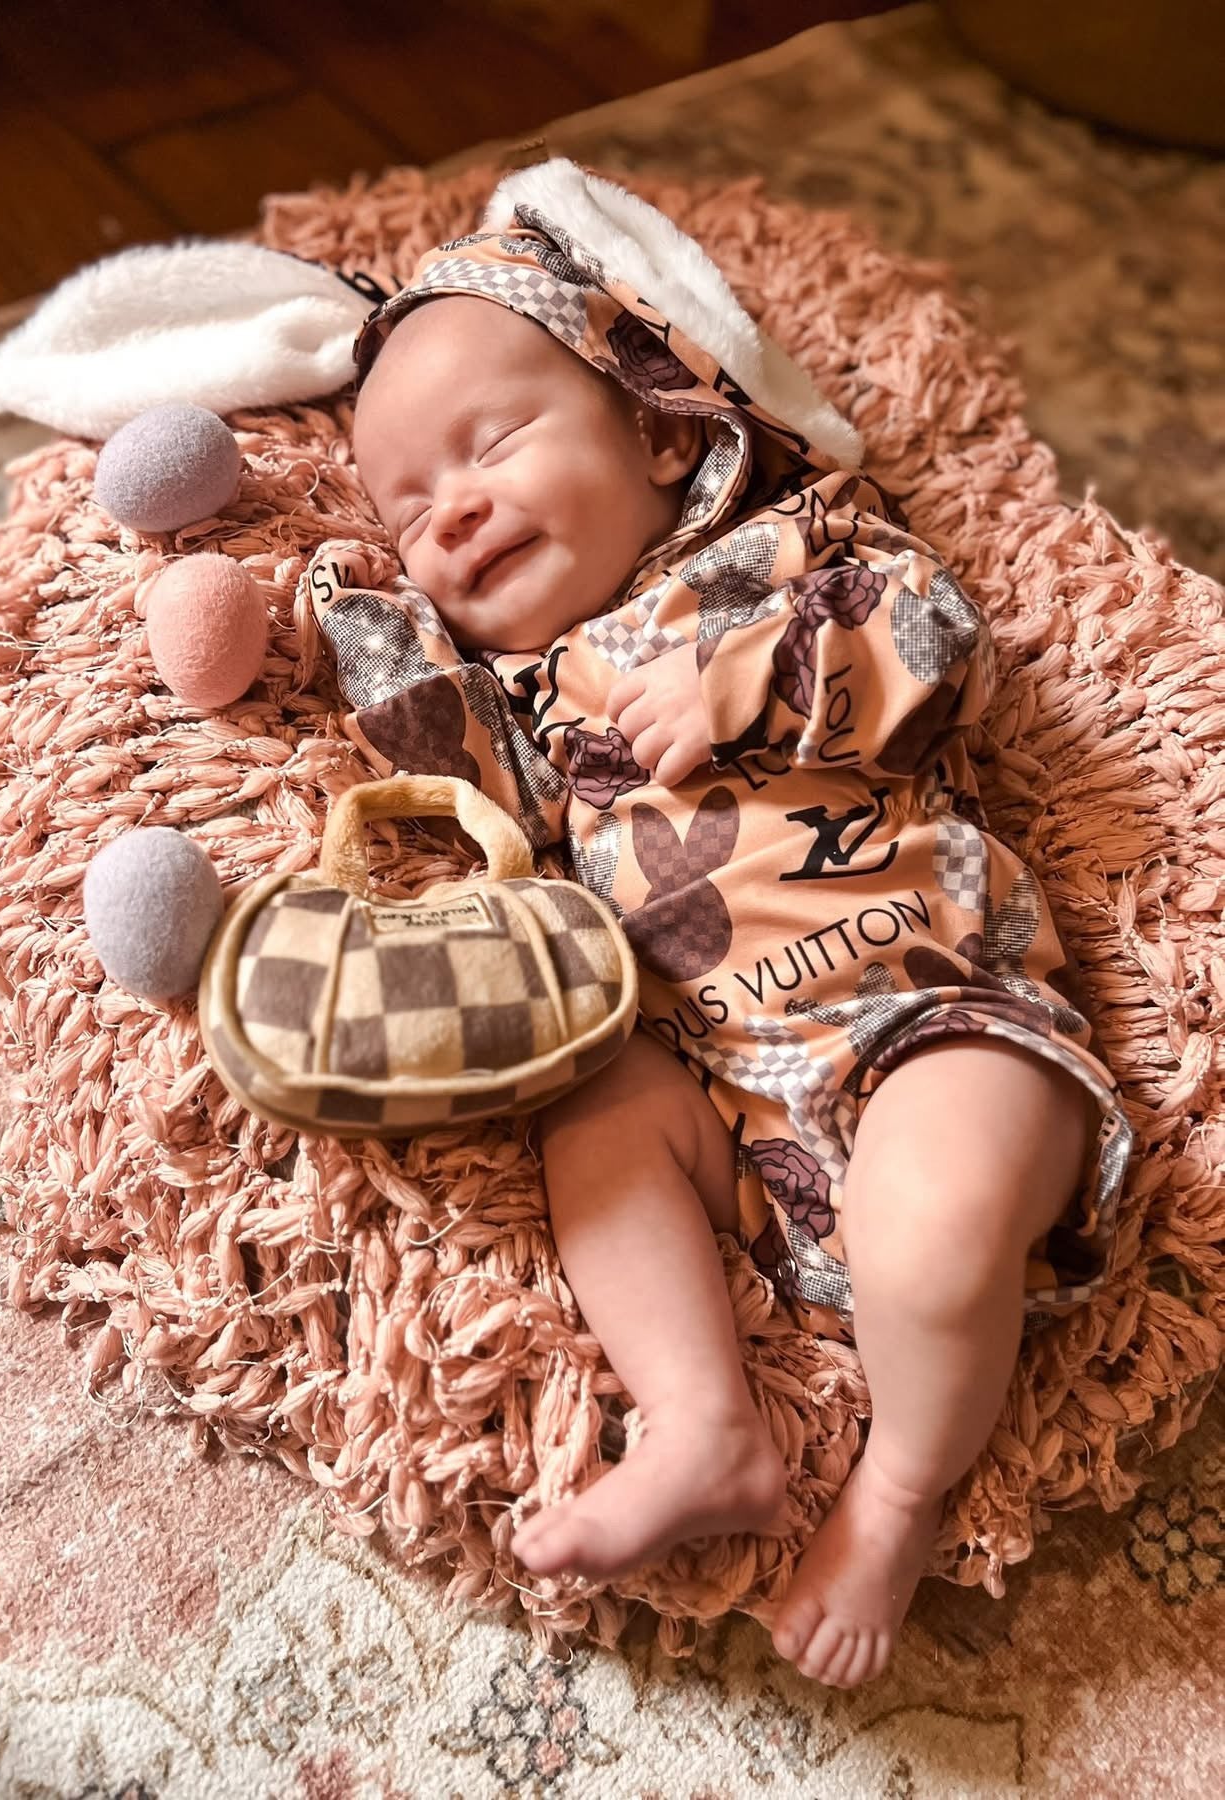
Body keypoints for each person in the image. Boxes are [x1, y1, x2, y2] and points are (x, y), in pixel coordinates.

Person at [309, 199, 1132, 1690]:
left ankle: (895, 1490)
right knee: (592, 1105)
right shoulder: (530, 696)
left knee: (934, 1230)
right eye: (411, 509)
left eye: (488, 448)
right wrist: (351, 621)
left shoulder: (784, 555)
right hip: (734, 1103)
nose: (454, 513)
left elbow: (937, 641)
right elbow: (454, 793)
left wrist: (742, 679)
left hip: (926, 1017)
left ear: (660, 433)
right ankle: (703, 1424)